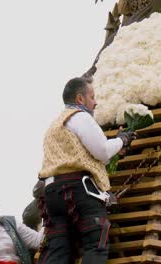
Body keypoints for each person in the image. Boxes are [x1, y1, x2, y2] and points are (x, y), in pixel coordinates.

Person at [36, 77, 135, 264]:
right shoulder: (80, 117)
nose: (95, 102)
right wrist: (122, 139)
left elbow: (81, 157)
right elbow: (102, 151)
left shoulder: (55, 124)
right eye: (92, 96)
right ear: (80, 99)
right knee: (96, 243)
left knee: (58, 250)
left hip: (52, 194)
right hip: (77, 190)